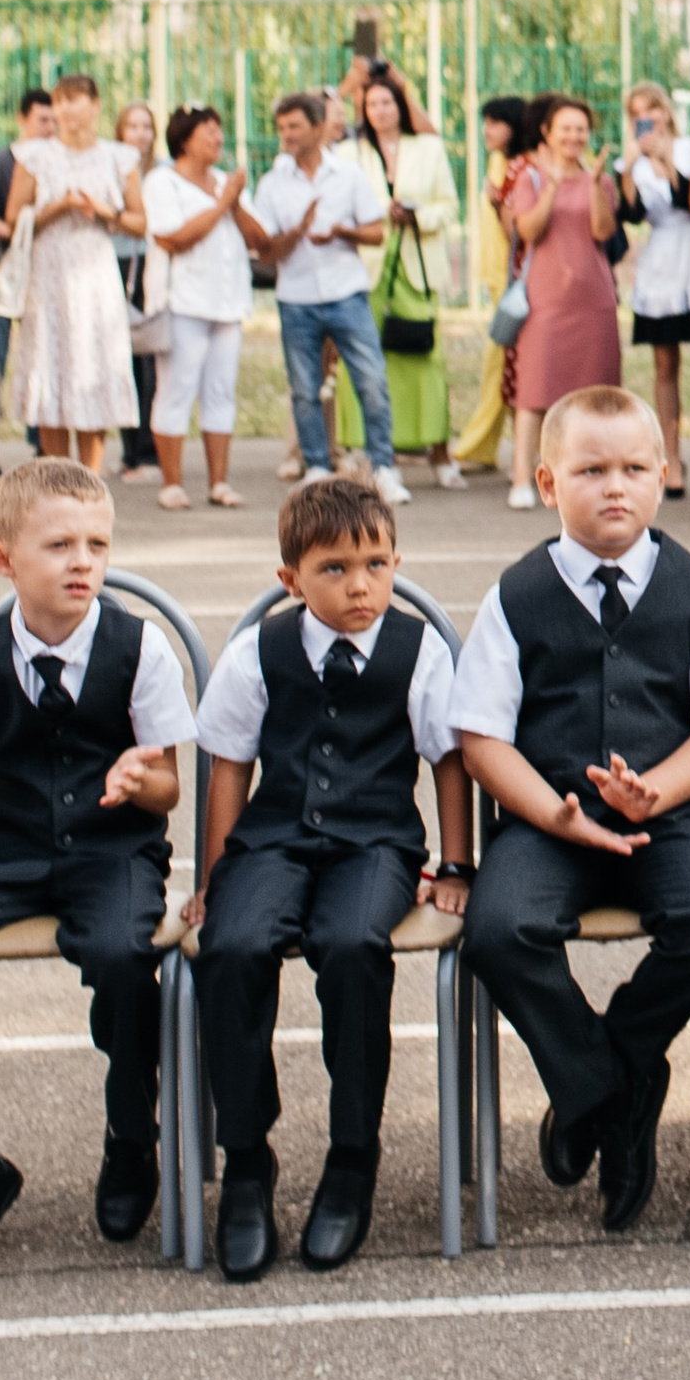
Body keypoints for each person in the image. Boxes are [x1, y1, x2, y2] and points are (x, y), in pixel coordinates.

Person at [0, 457, 195, 1286]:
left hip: (112, 847)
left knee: (125, 955)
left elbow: (167, 787)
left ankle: (132, 1135)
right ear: (4, 560)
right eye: (58, 544)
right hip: (8, 849)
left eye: (96, 542)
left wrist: (140, 779)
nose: (83, 560)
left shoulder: (140, 646)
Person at [455, 385, 690, 1235]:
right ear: (549, 483)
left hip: (668, 811)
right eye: (590, 470)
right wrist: (554, 812)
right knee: (499, 928)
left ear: (664, 475)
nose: (613, 485)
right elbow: (482, 739)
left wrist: (657, 789)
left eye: (633, 468)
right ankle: (606, 1090)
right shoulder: (515, 594)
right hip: (549, 815)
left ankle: (618, 1057)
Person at [186, 473, 470, 1279]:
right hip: (273, 840)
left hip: (375, 843)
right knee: (233, 946)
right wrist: (214, 877)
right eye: (337, 569)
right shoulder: (259, 650)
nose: (361, 585)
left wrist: (454, 863)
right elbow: (229, 768)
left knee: (351, 946)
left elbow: (448, 761)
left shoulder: (417, 652)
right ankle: (247, 1158)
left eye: (377, 564)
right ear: (292, 579)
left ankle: (352, 1156)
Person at [250, 93, 408, 506]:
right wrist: (297, 230)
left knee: (370, 380)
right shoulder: (271, 183)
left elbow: (376, 233)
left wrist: (341, 232)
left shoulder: (349, 175)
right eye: (282, 127)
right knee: (304, 387)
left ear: (318, 129)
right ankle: (317, 466)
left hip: (346, 293)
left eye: (294, 127)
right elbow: (266, 251)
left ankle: (382, 467)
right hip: (296, 296)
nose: (286, 135)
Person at [4, 71, 145, 470]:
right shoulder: (34, 156)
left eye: (73, 100)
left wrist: (105, 211)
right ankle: (55, 473)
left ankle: (91, 478)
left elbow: (140, 221)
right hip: (49, 276)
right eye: (59, 101)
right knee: (52, 367)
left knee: (92, 367)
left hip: (96, 276)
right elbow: (15, 219)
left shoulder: (119, 157)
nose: (65, 109)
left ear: (95, 105)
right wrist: (59, 206)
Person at [335, 64, 463, 487]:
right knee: (366, 364)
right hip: (367, 270)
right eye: (370, 103)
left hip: (416, 267)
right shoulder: (349, 152)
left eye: (387, 101)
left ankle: (439, 454)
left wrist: (416, 215)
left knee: (426, 360)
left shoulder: (427, 147)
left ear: (401, 104)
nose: (379, 110)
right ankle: (368, 456)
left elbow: (449, 206)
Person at [504, 93, 624, 514]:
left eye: (580, 129)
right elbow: (528, 230)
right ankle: (522, 475)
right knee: (535, 389)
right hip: (545, 298)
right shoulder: (530, 178)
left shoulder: (601, 179)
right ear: (547, 133)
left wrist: (591, 185)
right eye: (566, 129)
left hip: (594, 297)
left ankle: (594, 475)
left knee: (596, 393)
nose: (574, 136)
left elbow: (603, 231)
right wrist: (553, 184)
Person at [141, 105, 254, 507]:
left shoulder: (227, 183)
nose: (218, 139)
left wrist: (233, 202)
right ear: (185, 139)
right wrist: (222, 203)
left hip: (228, 302)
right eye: (208, 132)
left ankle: (218, 482)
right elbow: (172, 238)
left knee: (221, 389)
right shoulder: (162, 182)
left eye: (219, 131)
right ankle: (172, 482)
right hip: (183, 302)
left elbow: (258, 237)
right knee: (177, 388)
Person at [622, 83, 690, 498]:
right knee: (665, 366)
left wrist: (664, 159)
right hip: (662, 263)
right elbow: (633, 213)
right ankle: (671, 460)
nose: (648, 117)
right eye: (639, 112)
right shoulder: (634, 163)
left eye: (653, 108)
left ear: (666, 110)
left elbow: (689, 200)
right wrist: (629, 168)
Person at [0, 84, 52, 479]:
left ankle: (41, 444)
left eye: (55, 120)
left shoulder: (60, 160)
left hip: (45, 276)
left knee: (41, 364)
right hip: (1, 274)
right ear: (22, 119)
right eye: (42, 119)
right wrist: (20, 229)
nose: (50, 127)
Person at [453, 95, 533, 472]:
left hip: (514, 278)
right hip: (498, 277)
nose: (487, 130)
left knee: (500, 365)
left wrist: (496, 200)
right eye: (485, 122)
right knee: (500, 366)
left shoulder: (517, 167)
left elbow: (513, 226)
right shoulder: (498, 161)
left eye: (495, 122)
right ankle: (484, 446)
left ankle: (477, 446)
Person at [111, 104, 167, 479]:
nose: (140, 133)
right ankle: (129, 449)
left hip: (151, 267)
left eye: (146, 126)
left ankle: (149, 450)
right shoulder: (109, 166)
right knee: (120, 360)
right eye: (132, 126)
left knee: (149, 359)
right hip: (114, 265)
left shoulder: (163, 173)